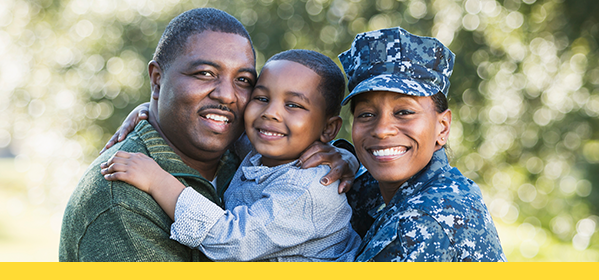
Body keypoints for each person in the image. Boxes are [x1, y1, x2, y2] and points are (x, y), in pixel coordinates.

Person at [59, 8, 356, 262]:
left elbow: (233, 237)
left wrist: (343, 155)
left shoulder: (250, 156)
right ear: (157, 81)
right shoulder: (121, 200)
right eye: (204, 73)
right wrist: (147, 108)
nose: (227, 95)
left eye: (242, 80)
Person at [340, 27, 506, 262]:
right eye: (366, 114)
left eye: (404, 112)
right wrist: (340, 155)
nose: (382, 129)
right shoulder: (403, 185)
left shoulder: (422, 222)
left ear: (443, 127)